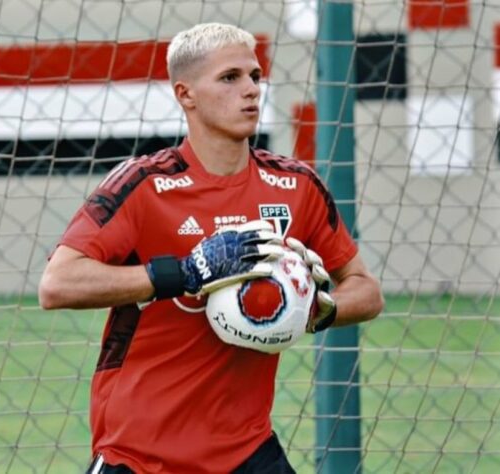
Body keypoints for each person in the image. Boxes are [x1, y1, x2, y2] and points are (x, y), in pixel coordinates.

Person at [39, 22, 384, 474]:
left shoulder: (296, 187)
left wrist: (318, 309)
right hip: (139, 456)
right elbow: (57, 284)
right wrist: (187, 272)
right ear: (186, 94)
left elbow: (366, 290)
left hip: (247, 452)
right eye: (230, 78)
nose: (251, 91)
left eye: (256, 76)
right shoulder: (145, 185)